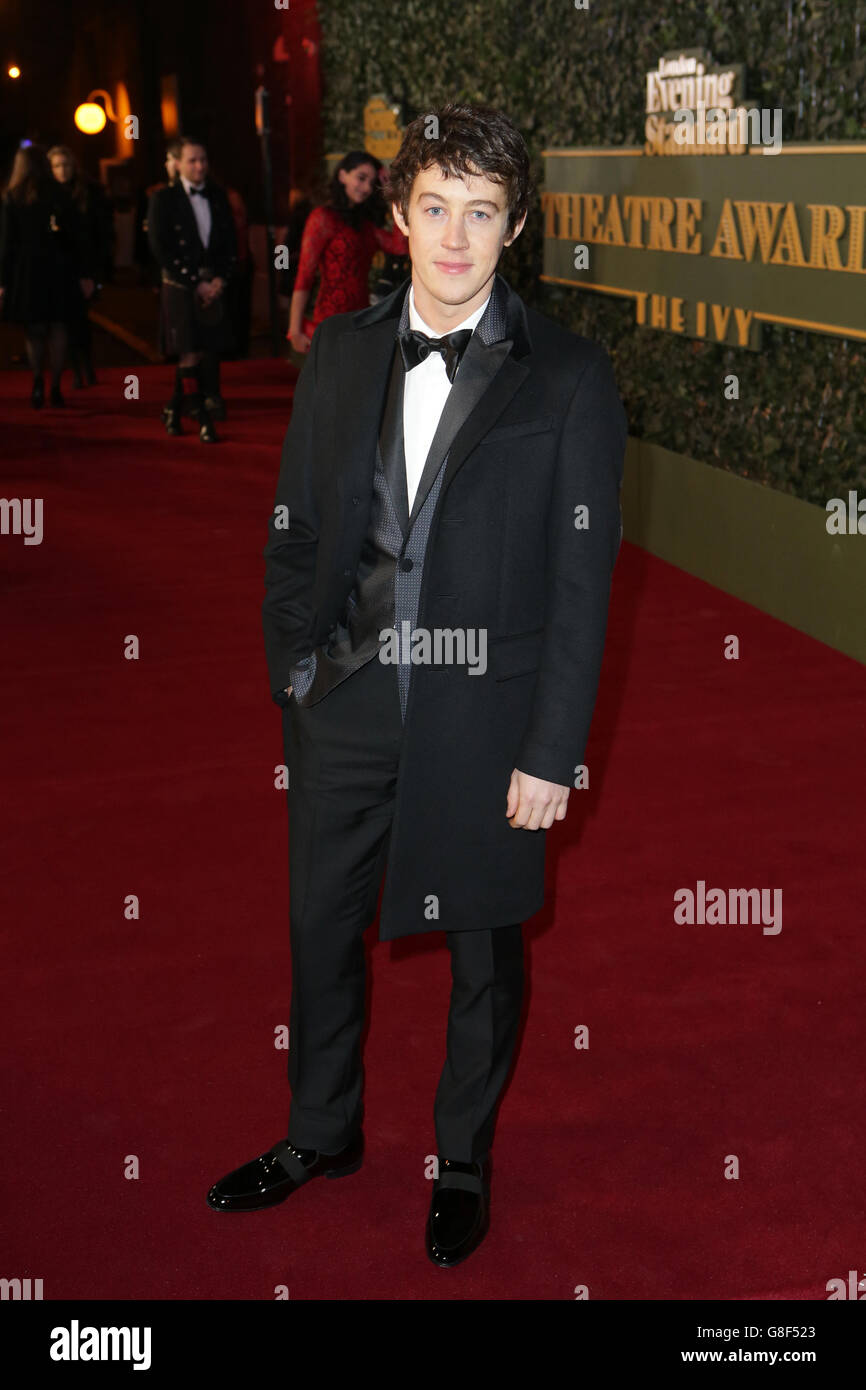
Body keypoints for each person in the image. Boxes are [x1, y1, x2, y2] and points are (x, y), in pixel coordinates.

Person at [206, 103, 628, 1269]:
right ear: (397, 219)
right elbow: (294, 532)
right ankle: (319, 1131)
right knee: (317, 925)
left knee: (483, 946)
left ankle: (463, 1158)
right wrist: (296, 669)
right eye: (433, 209)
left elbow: (582, 587)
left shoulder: (571, 379)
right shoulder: (339, 353)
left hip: (485, 723)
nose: (454, 237)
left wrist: (550, 752)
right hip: (342, 698)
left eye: (480, 214)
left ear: (515, 226)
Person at [146, 136, 237, 442]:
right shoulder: (163, 199)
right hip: (180, 288)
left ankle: (174, 408)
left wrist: (219, 281)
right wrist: (194, 283)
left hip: (211, 287)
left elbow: (230, 245)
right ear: (177, 164)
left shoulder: (218, 195)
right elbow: (160, 249)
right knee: (188, 353)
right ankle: (201, 416)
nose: (200, 166)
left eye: (204, 160)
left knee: (204, 352)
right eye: (193, 160)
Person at [0, 143, 95, 408]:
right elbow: (77, 238)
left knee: (34, 330)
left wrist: (3, 282)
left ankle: (37, 379)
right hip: (58, 267)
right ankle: (55, 384)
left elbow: (7, 244)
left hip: (27, 270)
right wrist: (84, 273)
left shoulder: (13, 197)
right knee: (58, 326)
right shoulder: (59, 195)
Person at [287, 150, 408, 355]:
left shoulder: (366, 226)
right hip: (330, 318)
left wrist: (391, 195)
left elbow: (400, 246)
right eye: (361, 178)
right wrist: (294, 329)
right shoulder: (322, 218)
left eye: (371, 182)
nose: (366, 188)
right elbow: (304, 276)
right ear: (342, 175)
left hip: (362, 318)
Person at [47, 145, 113, 388]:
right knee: (65, 322)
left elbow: (99, 235)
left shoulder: (88, 194)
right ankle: (77, 369)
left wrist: (93, 273)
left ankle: (85, 367)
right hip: (58, 269)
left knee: (80, 320)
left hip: (84, 265)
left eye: (66, 165)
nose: (62, 170)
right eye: (57, 166)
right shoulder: (47, 195)